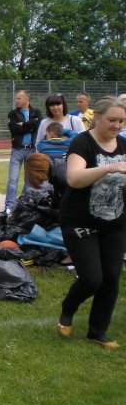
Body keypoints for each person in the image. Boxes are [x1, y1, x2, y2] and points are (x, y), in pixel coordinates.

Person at [57, 96, 126, 349]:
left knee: (111, 277)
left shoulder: (123, 144)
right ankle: (69, 307)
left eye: (121, 121)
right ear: (97, 117)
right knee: (92, 278)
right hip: (80, 221)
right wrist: (109, 168)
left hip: (115, 222)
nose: (117, 125)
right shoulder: (82, 142)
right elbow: (74, 179)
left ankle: (97, 332)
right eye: (112, 120)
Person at [5, 90, 42, 212]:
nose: (16, 100)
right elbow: (14, 129)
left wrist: (24, 124)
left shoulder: (36, 112)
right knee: (13, 179)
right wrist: (30, 127)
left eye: (19, 98)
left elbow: (38, 125)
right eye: (16, 98)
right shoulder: (13, 114)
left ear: (27, 99)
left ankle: (23, 204)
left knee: (29, 180)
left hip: (31, 150)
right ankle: (9, 206)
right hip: (17, 150)